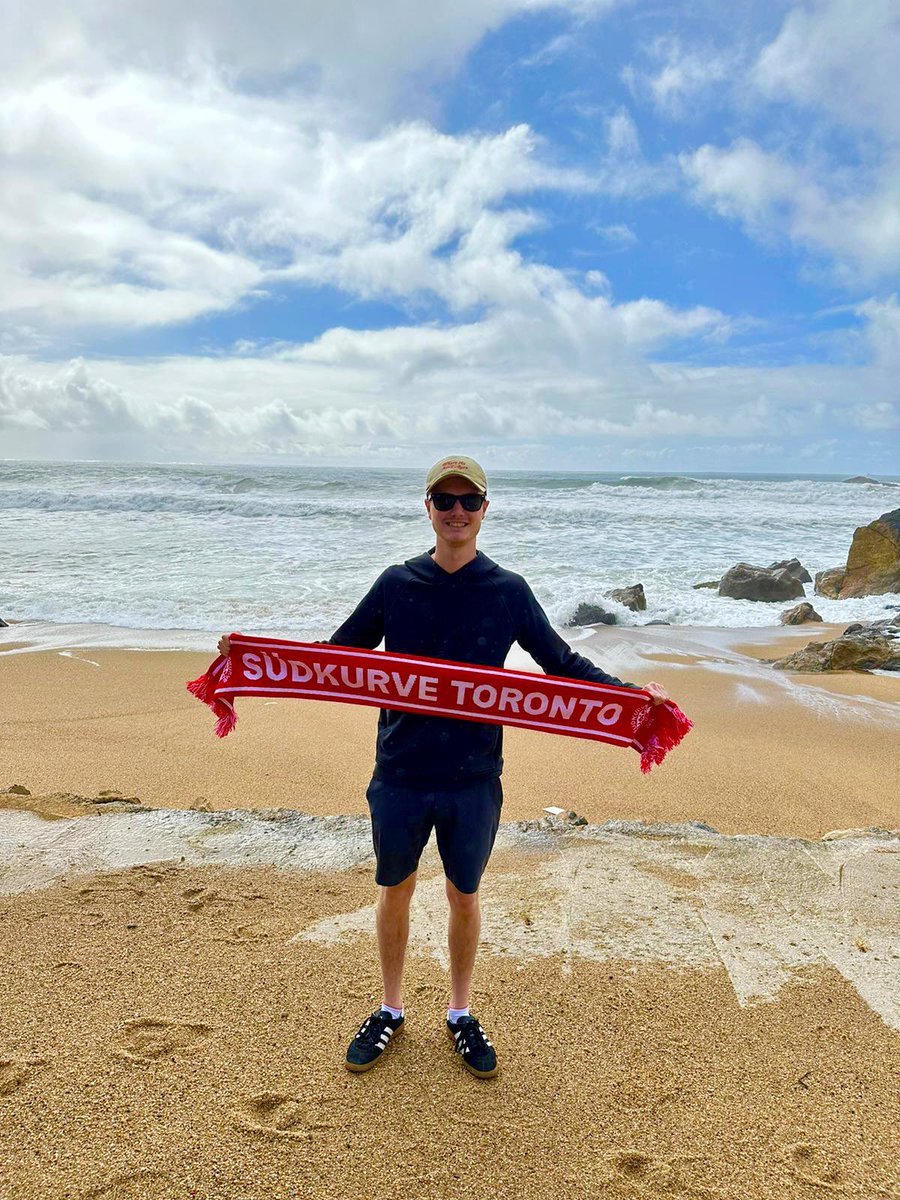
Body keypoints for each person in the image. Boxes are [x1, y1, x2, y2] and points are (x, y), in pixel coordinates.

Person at [220, 455, 668, 1080]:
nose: (456, 511)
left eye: (468, 500)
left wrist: (627, 698)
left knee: (464, 894)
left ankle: (459, 1012)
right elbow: (337, 655)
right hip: (400, 769)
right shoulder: (395, 584)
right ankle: (390, 1007)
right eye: (444, 499)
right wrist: (256, 656)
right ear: (427, 507)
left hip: (474, 776)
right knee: (395, 888)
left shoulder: (508, 591)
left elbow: (561, 664)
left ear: (486, 509)